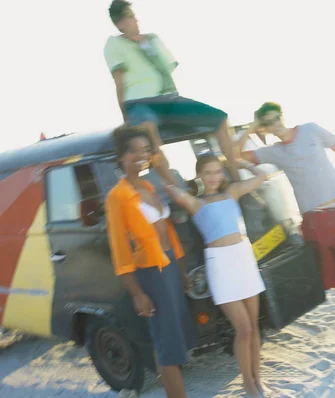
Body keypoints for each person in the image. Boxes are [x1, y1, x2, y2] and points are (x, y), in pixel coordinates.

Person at [236, 102, 335, 362]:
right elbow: (236, 156)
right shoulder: (275, 152)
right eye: (267, 122)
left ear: (282, 116)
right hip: (312, 222)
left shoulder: (310, 130)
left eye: (276, 118)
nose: (274, 124)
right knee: (334, 280)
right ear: (263, 127)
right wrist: (252, 127)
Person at [148, 129, 269, 397]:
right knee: (244, 329)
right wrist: (154, 153)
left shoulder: (232, 193)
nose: (214, 177)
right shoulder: (195, 203)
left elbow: (263, 176)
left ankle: (257, 380)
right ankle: (247, 384)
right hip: (221, 265)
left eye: (218, 171)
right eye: (208, 172)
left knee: (254, 327)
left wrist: (239, 161)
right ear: (200, 176)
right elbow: (168, 184)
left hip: (243, 258)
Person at [105, 124, 197, 398]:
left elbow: (167, 234)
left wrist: (180, 272)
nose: (140, 156)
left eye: (145, 150)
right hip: (150, 274)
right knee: (167, 347)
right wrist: (137, 294)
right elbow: (120, 252)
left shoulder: (147, 185)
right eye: (132, 151)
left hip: (169, 266)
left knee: (170, 341)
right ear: (120, 156)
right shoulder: (117, 197)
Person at [103, 0, 240, 180]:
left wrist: (144, 45)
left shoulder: (153, 39)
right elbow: (119, 82)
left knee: (221, 118)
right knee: (150, 132)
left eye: (134, 16)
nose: (135, 21)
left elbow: (167, 70)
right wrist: (125, 117)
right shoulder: (114, 44)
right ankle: (173, 188)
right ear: (118, 24)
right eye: (129, 18)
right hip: (139, 103)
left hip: (169, 99)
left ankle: (237, 177)